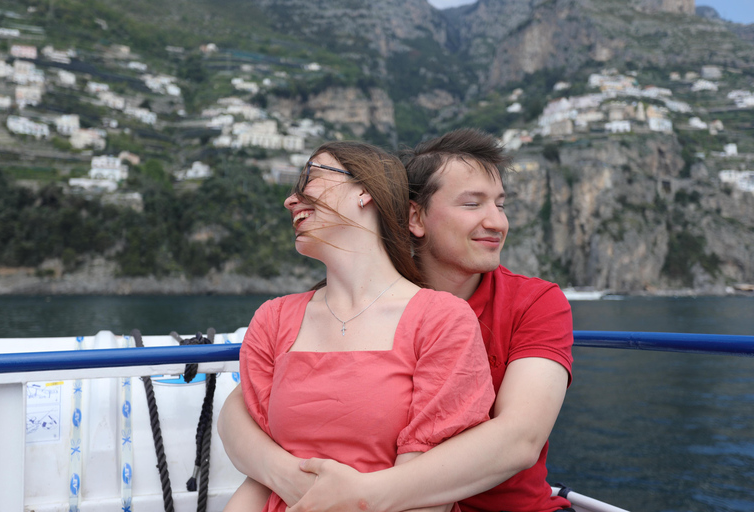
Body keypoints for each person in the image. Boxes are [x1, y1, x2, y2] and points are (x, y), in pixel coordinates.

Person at [218, 129, 574, 512]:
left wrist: (358, 498)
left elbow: (520, 438)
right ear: (414, 216)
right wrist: (284, 474)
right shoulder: (324, 308)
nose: (497, 223)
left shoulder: (530, 302)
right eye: (472, 204)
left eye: (500, 205)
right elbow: (244, 413)